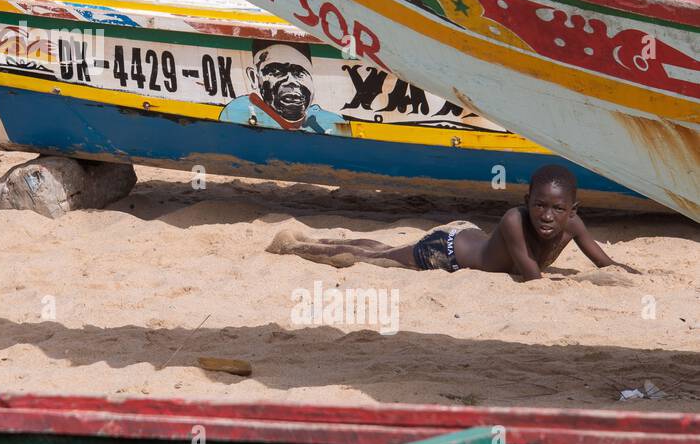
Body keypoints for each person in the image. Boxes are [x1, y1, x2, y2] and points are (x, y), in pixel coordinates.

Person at [269, 164, 639, 281]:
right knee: (370, 257)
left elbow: (604, 262)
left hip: (467, 238)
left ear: (572, 210)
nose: (546, 216)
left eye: (557, 210)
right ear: (526, 201)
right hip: (445, 252)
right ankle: (298, 245)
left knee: (381, 249)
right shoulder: (514, 219)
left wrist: (631, 273)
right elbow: (531, 276)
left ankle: (311, 237)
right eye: (539, 205)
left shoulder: (574, 225)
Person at [219, 41, 343, 133]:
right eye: (276, 71)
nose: (291, 81)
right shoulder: (236, 111)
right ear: (254, 77)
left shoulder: (333, 123)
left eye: (299, 73)